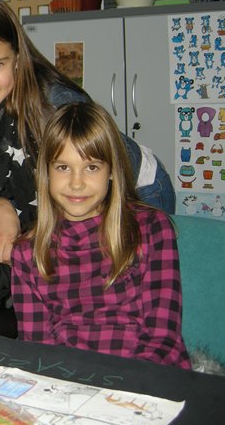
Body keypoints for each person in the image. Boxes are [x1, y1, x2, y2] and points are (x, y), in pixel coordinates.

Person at [0, 0, 175, 264]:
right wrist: (1, 205)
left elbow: (86, 185)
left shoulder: (54, 106)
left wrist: (8, 207)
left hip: (133, 190)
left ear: (18, 59)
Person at [10, 101, 191, 369]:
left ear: (112, 171)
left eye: (92, 167)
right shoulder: (28, 252)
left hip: (145, 375)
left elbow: (162, 338)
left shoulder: (151, 229)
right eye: (63, 167)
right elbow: (38, 350)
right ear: (46, 173)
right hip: (69, 380)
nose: (76, 183)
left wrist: (123, 384)